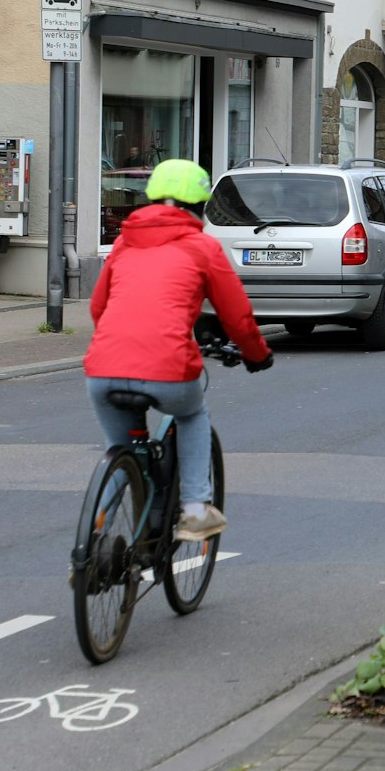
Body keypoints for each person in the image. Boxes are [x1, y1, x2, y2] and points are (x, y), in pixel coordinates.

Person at [84, 159, 272, 541]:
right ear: (200, 206)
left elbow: (98, 308)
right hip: (168, 368)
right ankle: (194, 509)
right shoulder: (203, 247)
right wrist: (257, 354)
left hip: (102, 369)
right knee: (192, 415)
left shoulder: (122, 242)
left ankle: (95, 538)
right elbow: (236, 316)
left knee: (120, 449)